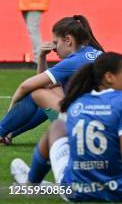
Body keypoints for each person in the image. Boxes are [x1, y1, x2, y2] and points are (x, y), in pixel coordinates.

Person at [9, 52, 122, 204]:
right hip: (119, 192)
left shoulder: (79, 102)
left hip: (74, 193)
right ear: (109, 77)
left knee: (57, 127)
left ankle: (31, 185)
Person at [0, 15, 103, 146]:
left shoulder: (72, 62)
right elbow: (46, 84)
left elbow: (25, 87)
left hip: (83, 124)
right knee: (52, 89)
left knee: (37, 94)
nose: (53, 48)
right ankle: (8, 135)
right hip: (100, 120)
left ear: (68, 40)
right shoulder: (95, 52)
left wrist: (9, 113)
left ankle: (1, 131)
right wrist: (42, 57)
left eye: (55, 42)